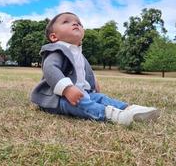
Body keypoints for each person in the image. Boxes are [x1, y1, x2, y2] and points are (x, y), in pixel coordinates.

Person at [30, 12, 160, 126]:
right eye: (66, 22)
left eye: (79, 23)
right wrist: (67, 89)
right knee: (83, 104)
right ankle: (112, 115)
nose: (75, 24)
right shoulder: (56, 51)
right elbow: (50, 69)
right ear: (54, 37)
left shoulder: (78, 53)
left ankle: (129, 109)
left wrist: (93, 82)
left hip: (83, 92)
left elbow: (85, 71)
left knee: (101, 98)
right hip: (58, 98)